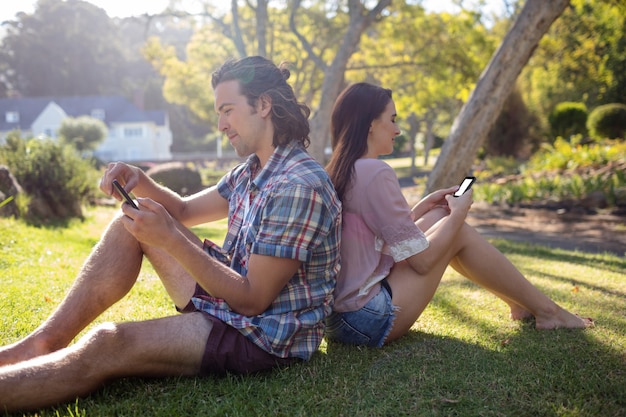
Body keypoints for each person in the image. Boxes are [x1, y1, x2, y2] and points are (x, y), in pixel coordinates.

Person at [0, 56, 341, 412]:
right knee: (131, 224)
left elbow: (253, 299)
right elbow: (184, 211)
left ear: (264, 105)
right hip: (231, 304)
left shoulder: (298, 185)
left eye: (227, 110)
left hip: (263, 336)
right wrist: (140, 180)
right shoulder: (255, 168)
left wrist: (172, 240)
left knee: (108, 343)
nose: (221, 124)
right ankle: (44, 342)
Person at [324, 82, 593, 348]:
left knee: (440, 215)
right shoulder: (376, 172)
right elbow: (423, 262)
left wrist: (425, 206)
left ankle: (518, 304)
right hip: (364, 320)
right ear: (370, 124)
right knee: (455, 229)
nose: (398, 129)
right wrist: (459, 213)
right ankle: (548, 312)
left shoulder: (343, 168)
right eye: (392, 120)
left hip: (338, 320)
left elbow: (373, 233)